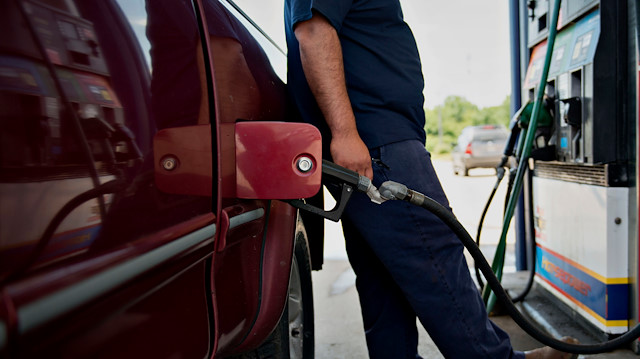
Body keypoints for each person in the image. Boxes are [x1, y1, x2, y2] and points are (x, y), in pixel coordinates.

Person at [284, 1, 576, 358]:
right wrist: (345, 132)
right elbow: (313, 31)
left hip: (371, 140)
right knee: (435, 253)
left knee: (383, 276)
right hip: (376, 140)